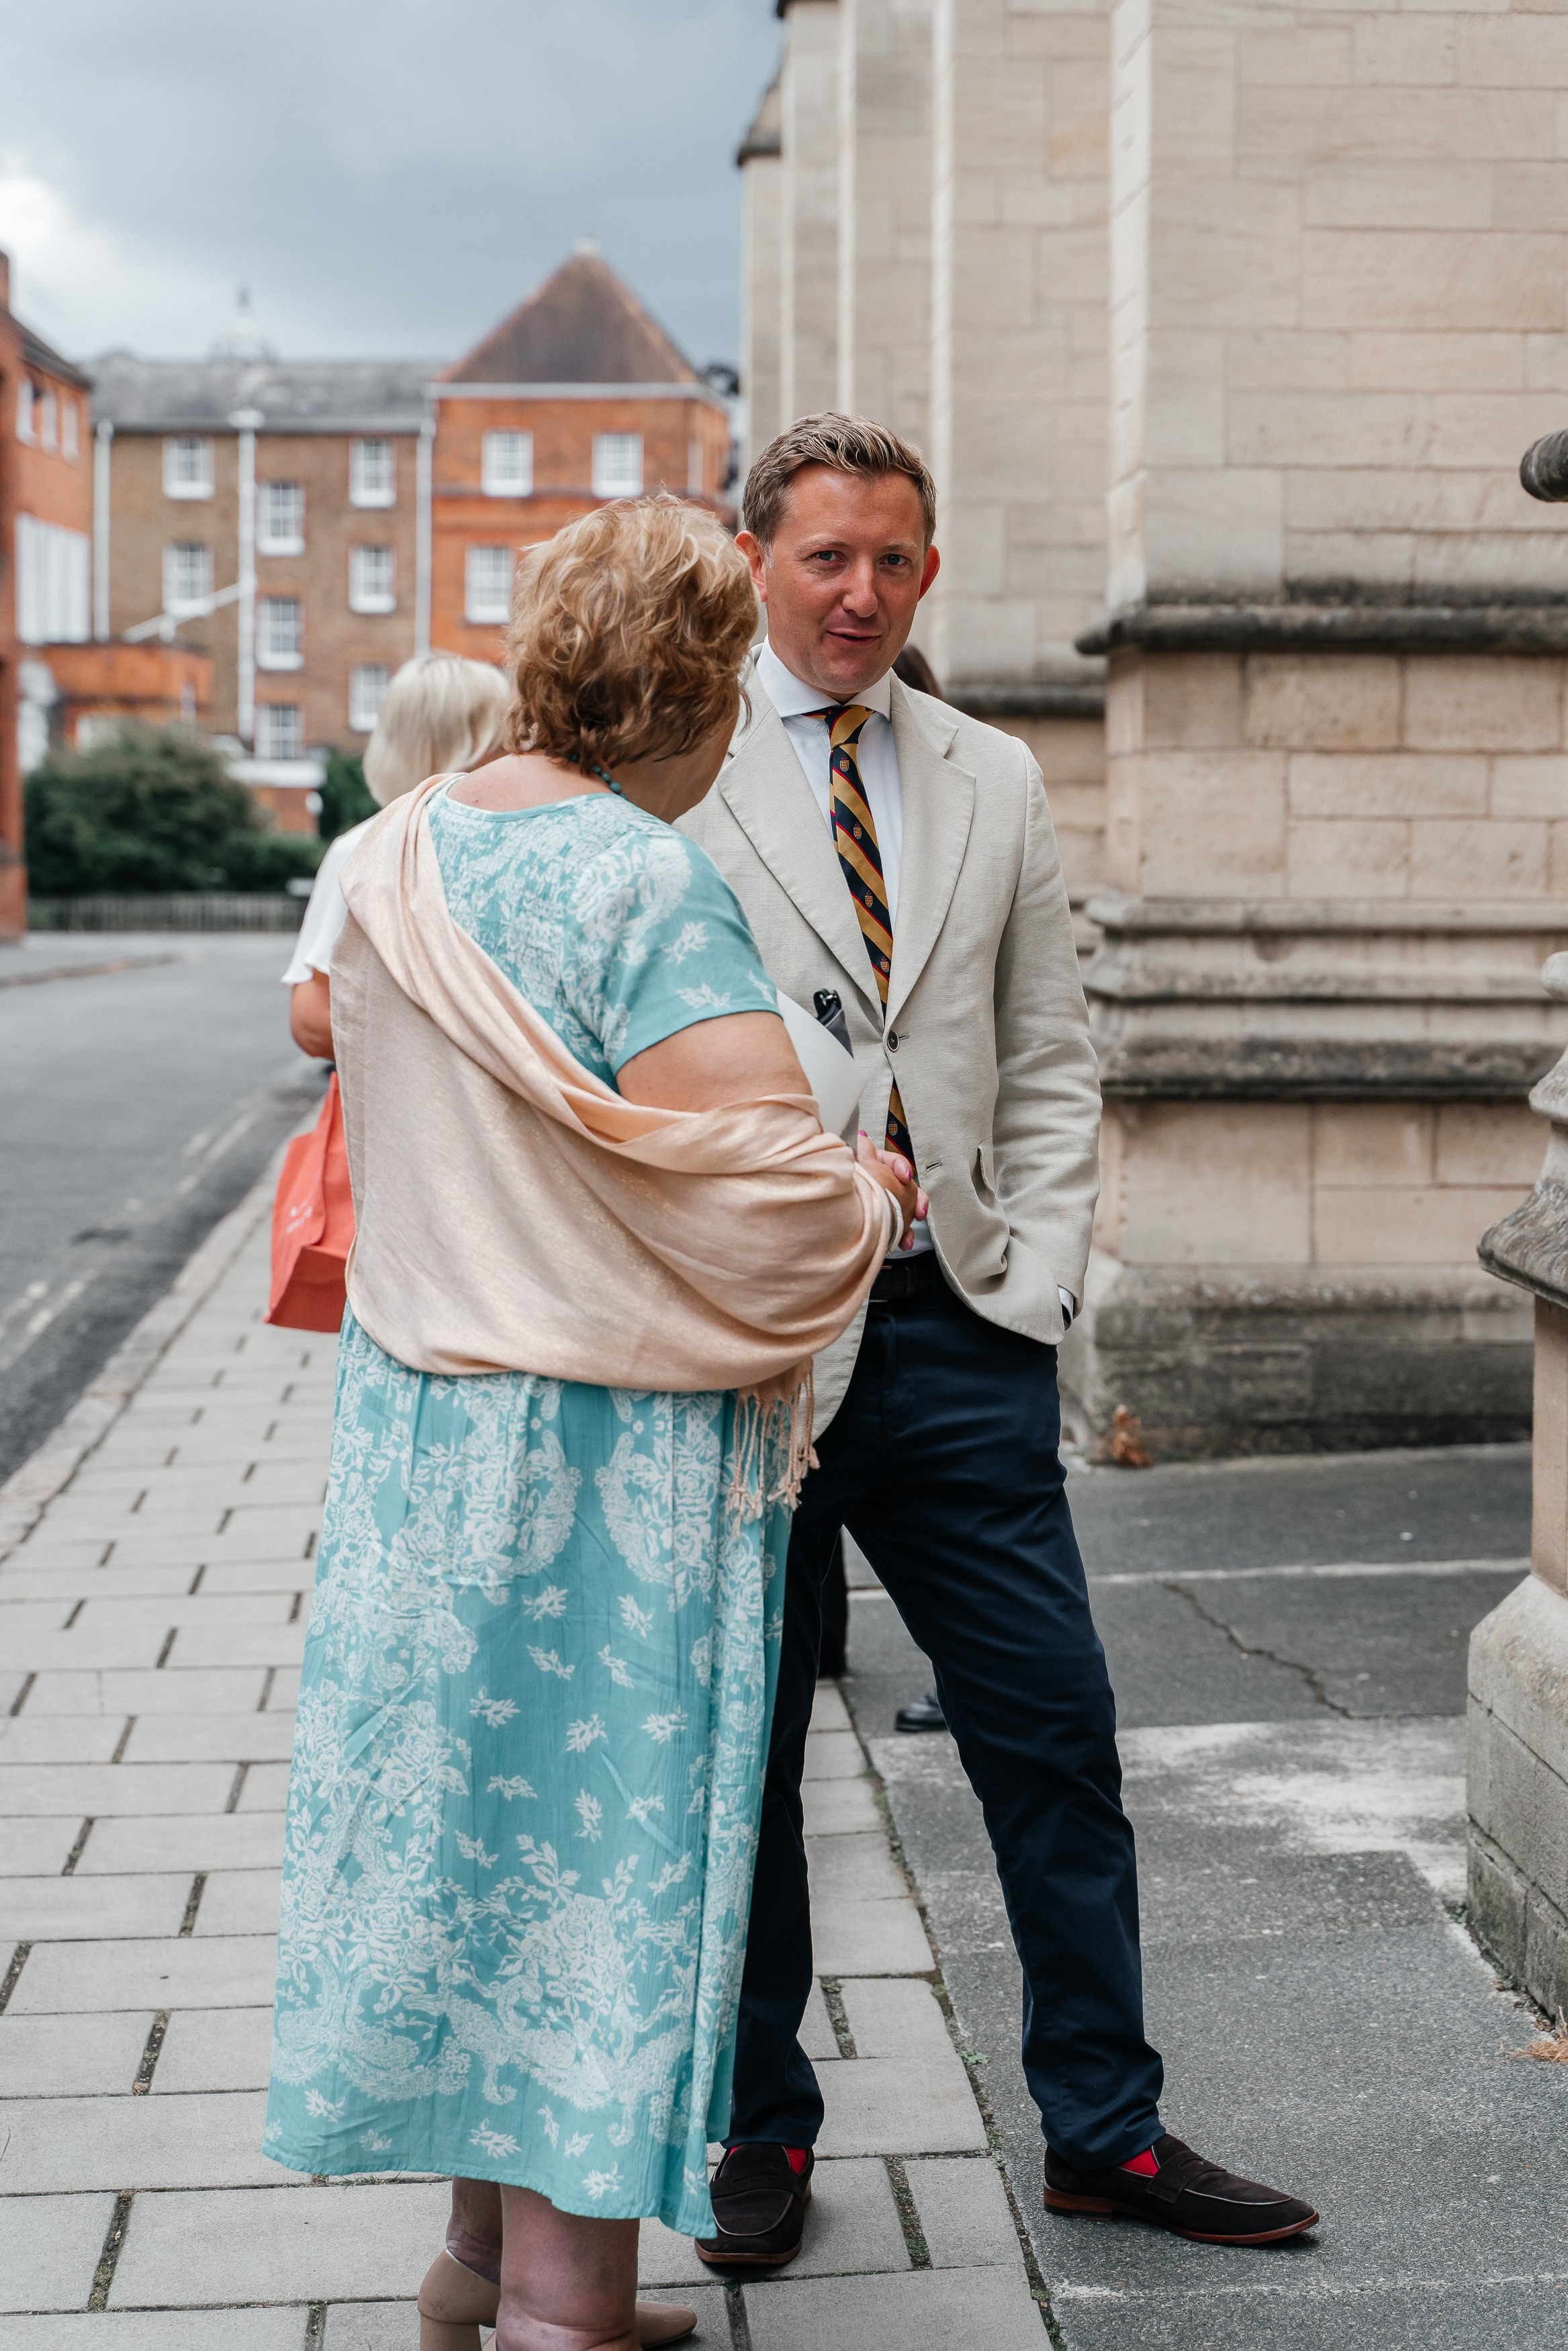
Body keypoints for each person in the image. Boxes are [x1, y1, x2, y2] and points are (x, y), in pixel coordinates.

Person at [263, 494, 919, 2351]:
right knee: (586, 1878)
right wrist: (865, 1189)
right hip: (596, 1470)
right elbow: (759, 1205)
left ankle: (472, 2267)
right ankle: (566, 2314)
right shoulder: (638, 881)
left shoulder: (393, 860)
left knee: (471, 1858)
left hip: (414, 1444)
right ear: (696, 684)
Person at [681, 416, 1320, 2265]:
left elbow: (1046, 1052)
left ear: (927, 568)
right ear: (754, 559)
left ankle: (1100, 2131)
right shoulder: (679, 758)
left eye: (891, 560)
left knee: (1050, 1726)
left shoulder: (986, 776)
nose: (860, 594)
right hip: (744, 1347)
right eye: (824, 558)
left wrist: (1032, 1279)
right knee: (744, 1759)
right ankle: (761, 2136)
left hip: (955, 1330)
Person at [281, 650, 509, 1058]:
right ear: (467, 745)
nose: (517, 751)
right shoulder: (367, 848)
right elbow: (314, 1020)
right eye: (504, 738)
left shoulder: (365, 844)